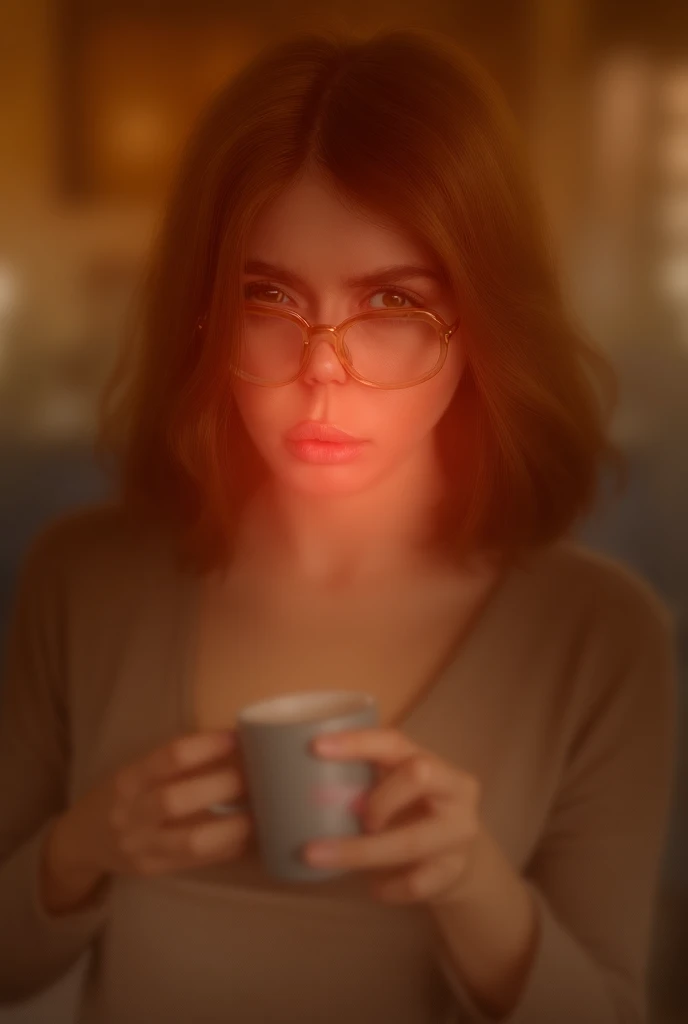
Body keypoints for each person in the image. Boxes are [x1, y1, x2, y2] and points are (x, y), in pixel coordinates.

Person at [0, 26, 678, 1024]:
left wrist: (475, 886)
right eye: (268, 299)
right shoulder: (83, 578)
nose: (325, 369)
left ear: (484, 324)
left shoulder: (598, 638)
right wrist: (81, 848)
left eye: (392, 303)